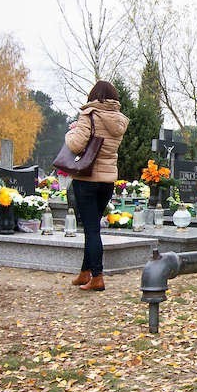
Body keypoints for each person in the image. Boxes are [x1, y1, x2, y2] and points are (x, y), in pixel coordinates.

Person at [65, 81, 129, 292]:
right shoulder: (119, 120)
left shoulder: (89, 115)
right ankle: (85, 273)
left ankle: (98, 276)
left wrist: (70, 133)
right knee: (91, 228)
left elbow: (76, 145)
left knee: (92, 229)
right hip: (107, 181)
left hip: (87, 179)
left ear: (93, 95)